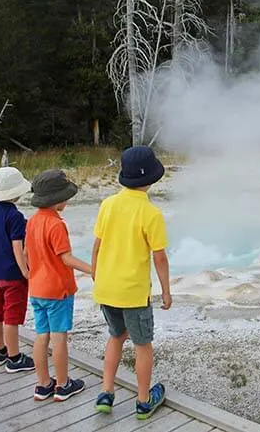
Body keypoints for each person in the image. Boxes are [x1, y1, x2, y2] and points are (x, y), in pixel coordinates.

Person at [91, 146, 171, 420]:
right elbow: (159, 258)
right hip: (134, 293)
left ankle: (105, 393)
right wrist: (166, 291)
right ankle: (143, 400)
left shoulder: (108, 204)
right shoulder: (151, 213)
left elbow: (97, 246)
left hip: (107, 288)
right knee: (142, 344)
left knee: (115, 336)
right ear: (151, 178)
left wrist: (96, 275)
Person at [25, 169, 92, 402]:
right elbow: (66, 258)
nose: (68, 200)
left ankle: (43, 384)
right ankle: (63, 385)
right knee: (59, 337)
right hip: (58, 290)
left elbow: (26, 254)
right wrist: (94, 269)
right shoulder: (56, 225)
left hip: (37, 289)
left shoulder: (32, 222)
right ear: (56, 199)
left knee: (41, 335)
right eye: (65, 196)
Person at [0, 166, 35, 373]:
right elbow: (17, 245)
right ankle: (14, 357)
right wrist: (25, 271)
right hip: (13, 275)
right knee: (12, 317)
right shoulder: (14, 216)